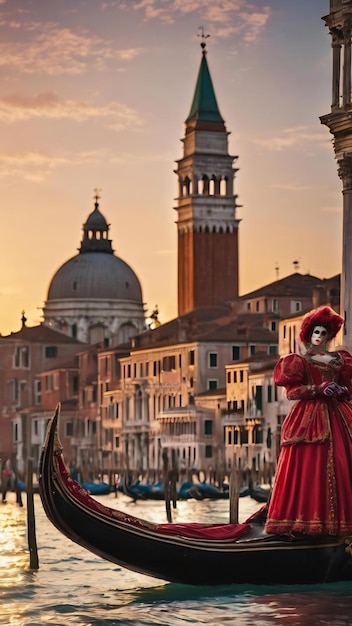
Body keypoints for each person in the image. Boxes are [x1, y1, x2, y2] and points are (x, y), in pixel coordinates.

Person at [265, 305, 352, 537]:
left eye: (324, 332)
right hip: (309, 418)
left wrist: (340, 390)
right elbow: (292, 393)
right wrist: (317, 389)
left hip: (338, 415)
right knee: (307, 468)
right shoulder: (300, 361)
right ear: (308, 334)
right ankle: (306, 522)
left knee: (343, 463)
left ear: (329, 335)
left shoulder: (339, 360)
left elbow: (349, 389)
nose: (320, 336)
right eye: (316, 332)